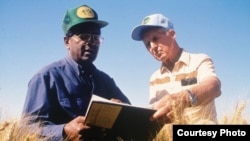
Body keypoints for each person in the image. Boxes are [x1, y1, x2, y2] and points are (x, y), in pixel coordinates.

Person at [21, 5, 131, 141]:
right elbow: (26, 128)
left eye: (96, 38)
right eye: (84, 36)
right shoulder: (46, 77)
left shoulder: (106, 81)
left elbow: (131, 117)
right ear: (67, 42)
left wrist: (121, 111)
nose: (91, 43)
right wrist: (63, 131)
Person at [131, 14, 221, 124]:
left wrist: (184, 98)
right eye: (147, 44)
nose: (152, 47)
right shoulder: (154, 78)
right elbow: (154, 112)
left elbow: (214, 86)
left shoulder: (199, 61)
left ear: (172, 34)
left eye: (156, 38)